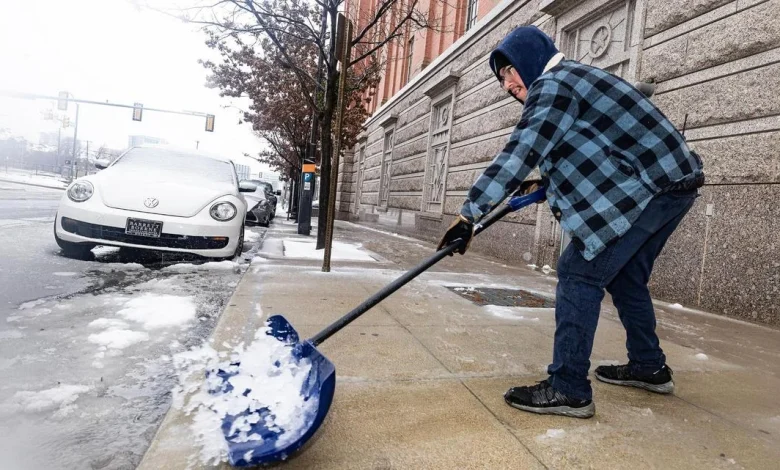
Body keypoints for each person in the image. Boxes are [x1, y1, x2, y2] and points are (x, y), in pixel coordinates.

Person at [437, 26, 704, 418]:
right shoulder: (573, 78)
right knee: (625, 277)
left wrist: (468, 215)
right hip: (672, 187)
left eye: (509, 71)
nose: (507, 84)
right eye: (501, 79)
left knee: (579, 272)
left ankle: (568, 388)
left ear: (530, 59)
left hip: (654, 190)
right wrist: (544, 181)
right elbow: (586, 146)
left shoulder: (553, 84)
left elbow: (522, 150)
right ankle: (649, 366)